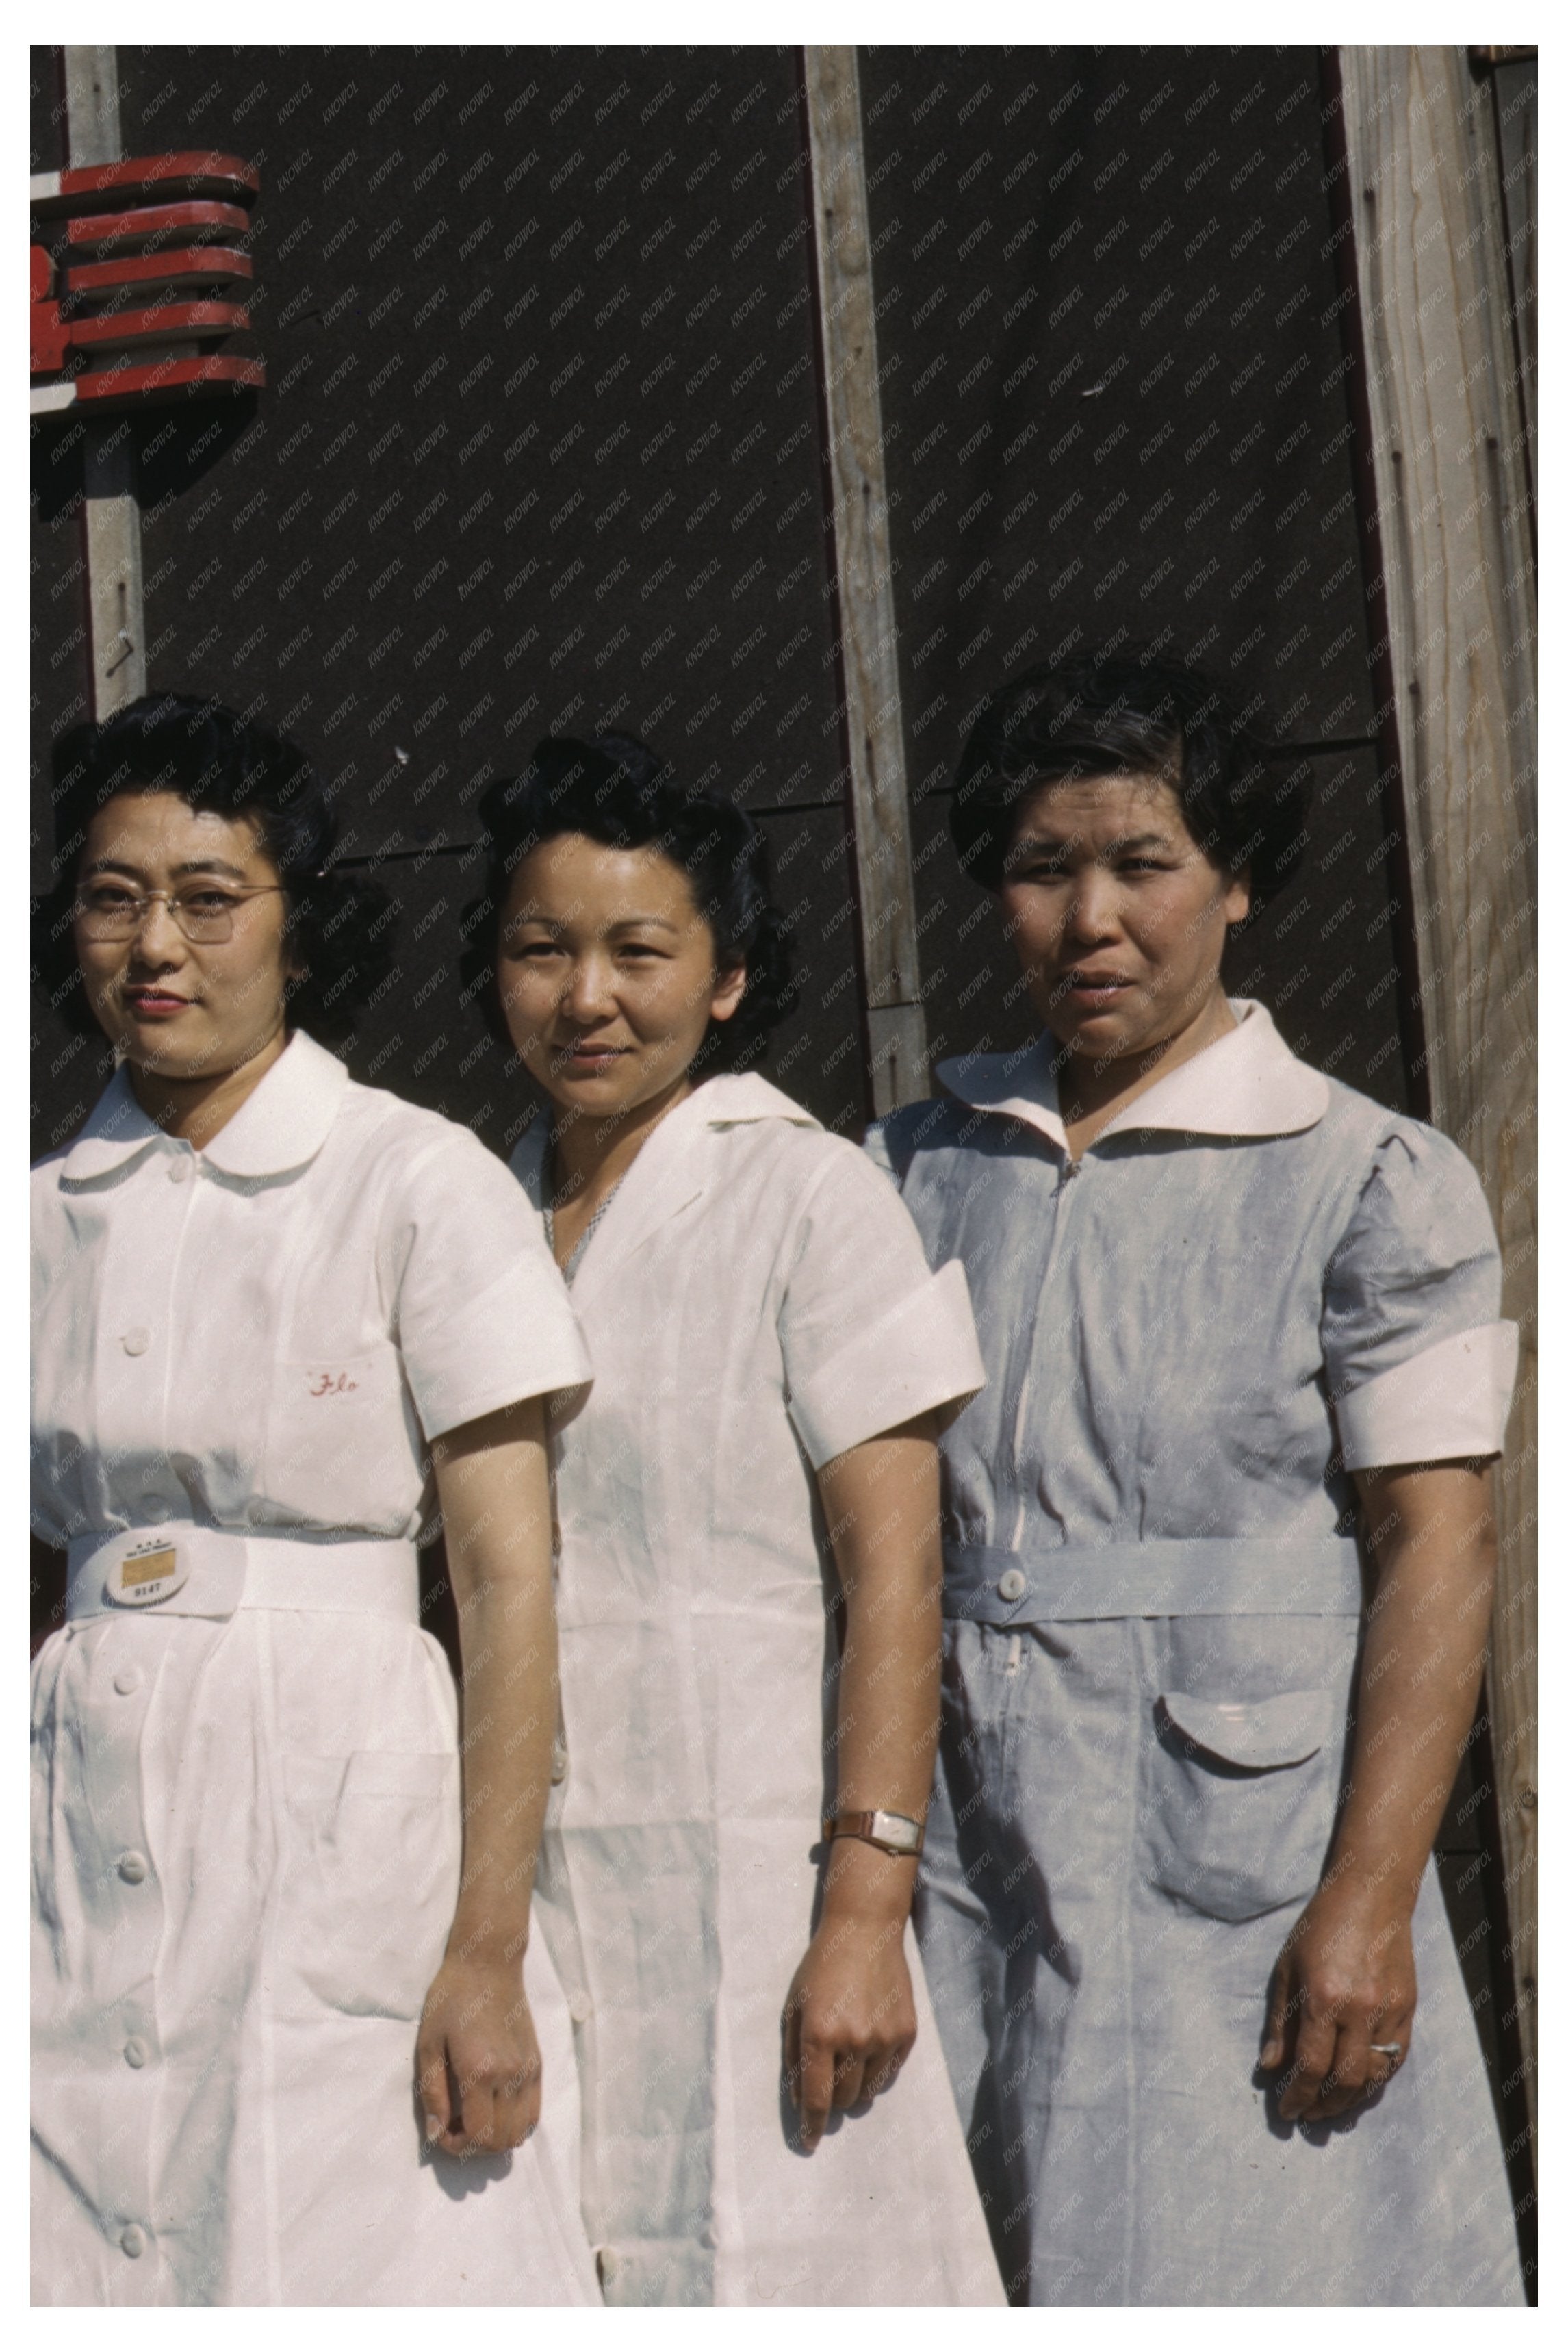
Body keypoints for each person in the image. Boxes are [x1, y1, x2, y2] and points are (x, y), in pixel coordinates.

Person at [865, 650, 1524, 2306]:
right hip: (968, 1849)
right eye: (1042, 867)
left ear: (1234, 883)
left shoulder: (1368, 1173)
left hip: (1238, 1859)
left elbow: (1439, 1547)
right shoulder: (910, 1168)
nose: (1093, 916)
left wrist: (1371, 1897)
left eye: (1144, 862)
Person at [31, 695, 600, 2306]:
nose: (157, 944)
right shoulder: (33, 1217)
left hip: (340, 1800)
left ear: (300, 924)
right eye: (112, 895)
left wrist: (484, 1946)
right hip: (71, 1800)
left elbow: (506, 1582)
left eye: (210, 899)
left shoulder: (414, 1179)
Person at [464, 731, 1005, 2307]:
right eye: (541, 948)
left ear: (726, 978)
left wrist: (862, 1907)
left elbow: (899, 1567)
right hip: (524, 1865)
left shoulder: (808, 1192)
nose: (587, 997)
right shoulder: (465, 1204)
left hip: (758, 1866)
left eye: (640, 951)